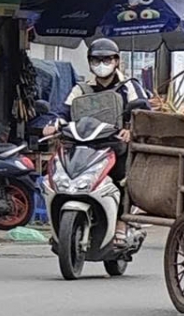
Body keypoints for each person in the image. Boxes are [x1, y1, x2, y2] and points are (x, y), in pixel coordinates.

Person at [50, 38, 150, 243]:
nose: (101, 64)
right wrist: (55, 124)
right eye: (96, 60)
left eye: (107, 59)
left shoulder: (129, 86)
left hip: (116, 147)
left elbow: (143, 112)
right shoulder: (81, 89)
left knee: (124, 178)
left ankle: (122, 222)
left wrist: (131, 130)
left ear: (116, 61)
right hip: (85, 147)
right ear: (89, 62)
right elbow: (64, 111)